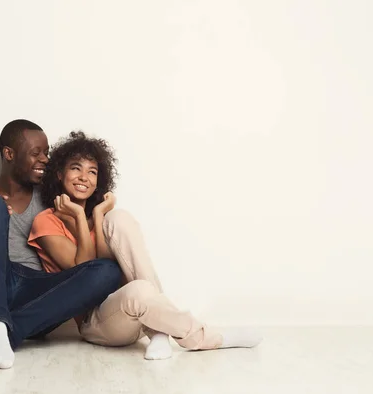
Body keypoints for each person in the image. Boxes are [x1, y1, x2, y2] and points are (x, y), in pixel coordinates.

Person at [28, 131, 263, 360]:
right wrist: (79, 215)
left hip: (135, 308)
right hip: (98, 324)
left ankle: (158, 331)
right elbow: (87, 272)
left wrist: (98, 214)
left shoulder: (103, 220)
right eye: (75, 168)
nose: (84, 177)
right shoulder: (45, 221)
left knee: (119, 219)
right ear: (59, 174)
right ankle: (212, 337)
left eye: (92, 171)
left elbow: (106, 266)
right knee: (140, 292)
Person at [0, 120, 122, 369]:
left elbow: (84, 263)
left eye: (47, 153)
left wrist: (89, 213)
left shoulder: (52, 200)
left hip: (31, 294)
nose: (44, 159)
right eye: (36, 153)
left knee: (108, 270)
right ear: (9, 154)